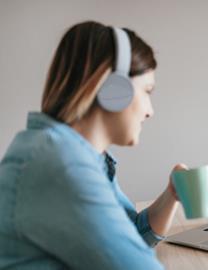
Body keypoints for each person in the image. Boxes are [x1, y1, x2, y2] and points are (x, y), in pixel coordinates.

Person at [0, 21, 183, 269]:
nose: (150, 111)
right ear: (114, 88)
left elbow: (131, 236)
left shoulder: (74, 153)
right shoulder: (60, 163)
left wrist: (170, 195)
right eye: (147, 91)